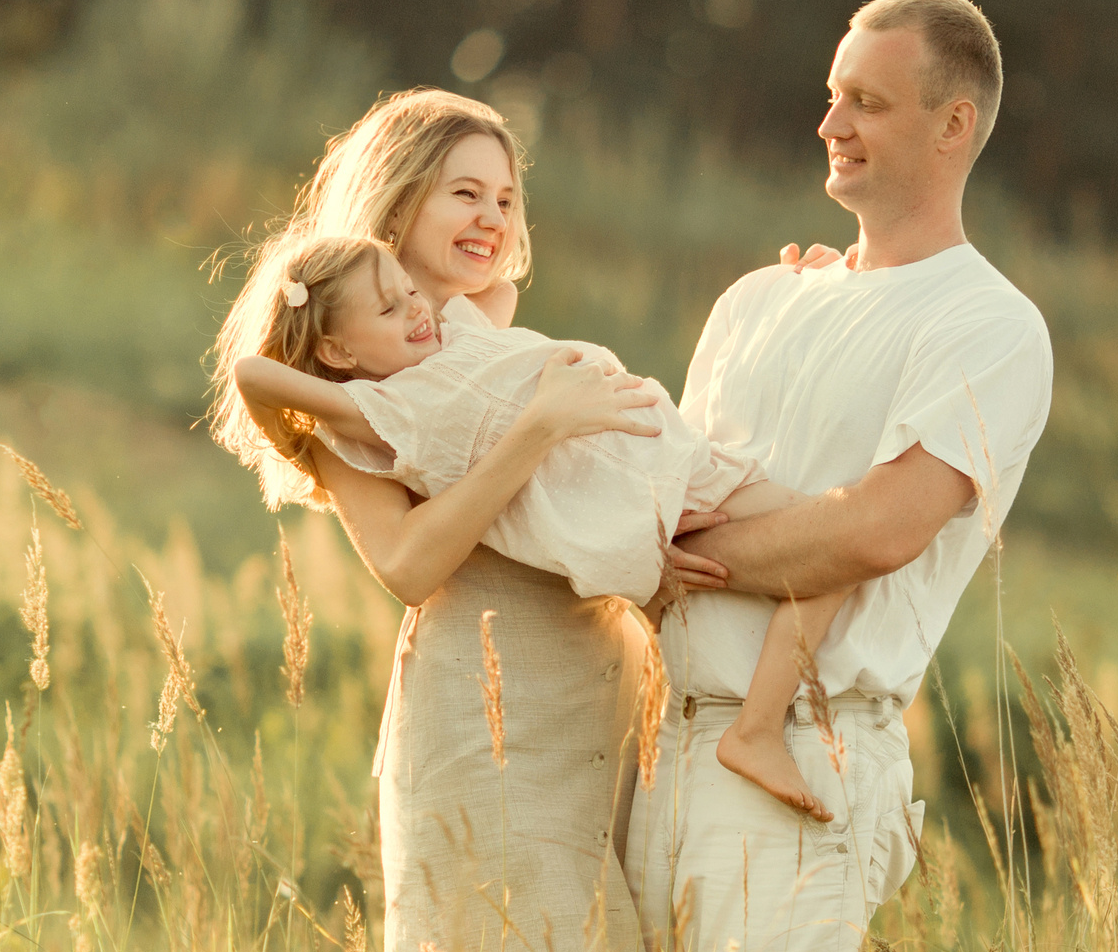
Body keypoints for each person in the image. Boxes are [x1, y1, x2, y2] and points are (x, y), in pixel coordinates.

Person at [628, 0, 1055, 952]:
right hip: (661, 747)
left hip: (801, 765)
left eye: (868, 102)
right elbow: (668, 493)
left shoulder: (990, 324)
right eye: (831, 94)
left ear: (953, 125)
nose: (832, 121)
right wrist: (679, 539)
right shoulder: (758, 301)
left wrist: (691, 554)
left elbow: (879, 528)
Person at [207, 89, 661, 952]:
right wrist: (538, 427)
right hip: (485, 713)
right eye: (464, 192)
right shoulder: (357, 379)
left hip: (592, 704)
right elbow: (409, 563)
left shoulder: (475, 328)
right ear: (397, 202)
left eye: (506, 197)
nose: (492, 218)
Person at [230, 232, 851, 820]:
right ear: (339, 352)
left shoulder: (460, 331)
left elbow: (495, 282)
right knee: (844, 544)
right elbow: (252, 374)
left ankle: (740, 734)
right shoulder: (389, 410)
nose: (416, 310)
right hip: (661, 486)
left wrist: (790, 290)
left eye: (411, 292)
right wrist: (295, 409)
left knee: (826, 550)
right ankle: (758, 729)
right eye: (389, 310)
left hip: (678, 460)